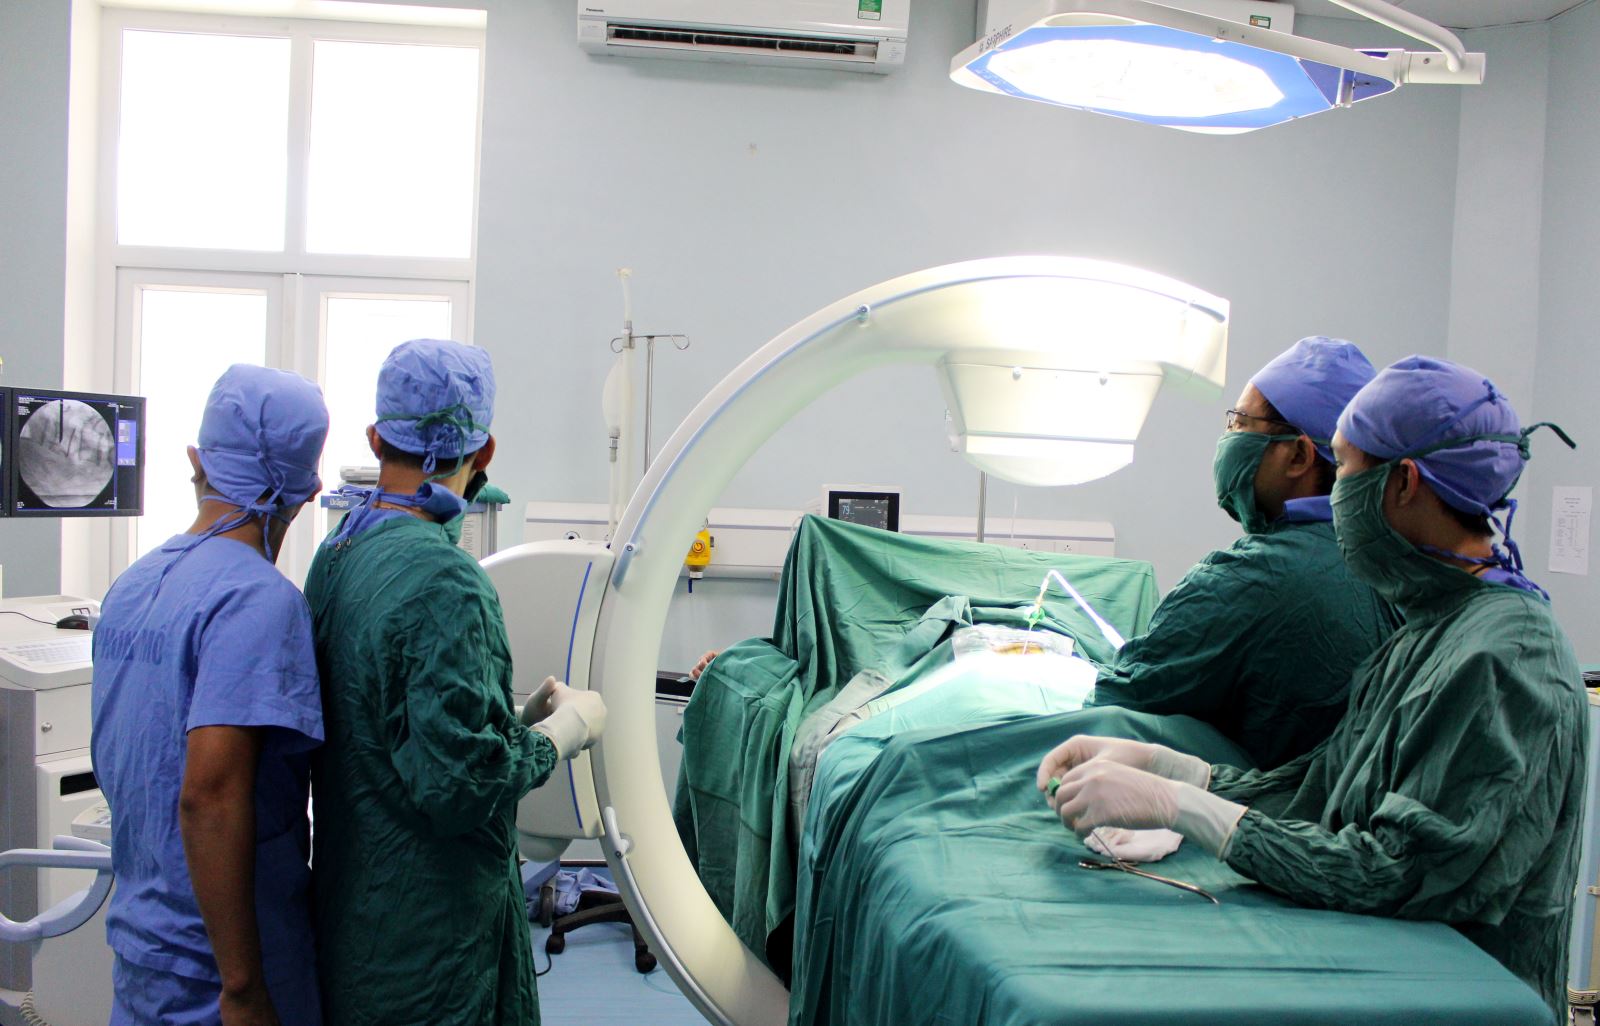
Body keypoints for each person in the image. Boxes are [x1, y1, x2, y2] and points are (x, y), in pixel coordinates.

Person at [1039, 356, 1585, 1018]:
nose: (1334, 496)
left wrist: (1183, 809)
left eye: (1346, 468)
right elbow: (1323, 794)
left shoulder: (1506, 657)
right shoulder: (1431, 627)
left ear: (1404, 482)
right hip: (1382, 975)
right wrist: (1170, 771)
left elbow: (1398, 872)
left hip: (1458, 1000)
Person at [307, 338, 607, 1026]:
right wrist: (560, 734)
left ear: (376, 438)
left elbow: (389, 725)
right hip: (430, 936)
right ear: (486, 451)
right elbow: (460, 789)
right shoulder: (446, 581)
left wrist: (508, 723)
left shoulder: (339, 553)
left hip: (357, 906)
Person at [91, 365, 330, 1026]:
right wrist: (243, 988)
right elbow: (209, 796)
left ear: (197, 462)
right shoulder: (257, 601)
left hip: (142, 951)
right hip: (220, 969)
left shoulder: (133, 585)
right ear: (307, 492)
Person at [1090, 336, 1400, 770]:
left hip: (1276, 806)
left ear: (1298, 456)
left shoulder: (1258, 577)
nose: (1228, 438)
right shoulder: (1392, 561)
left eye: (1239, 423)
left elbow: (1115, 702)